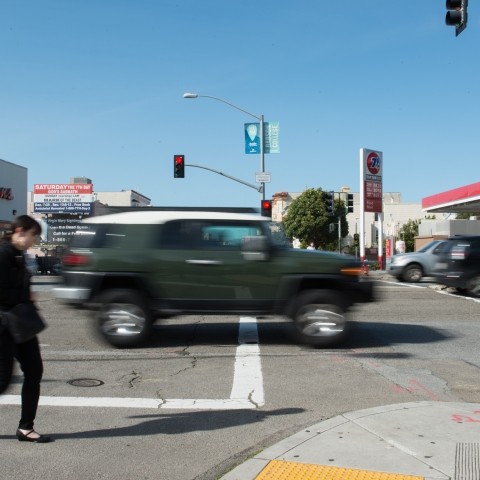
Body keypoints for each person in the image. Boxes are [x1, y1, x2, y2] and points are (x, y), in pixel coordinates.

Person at [0, 215, 51, 443]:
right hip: (4, 325)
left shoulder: (20, 255)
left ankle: (26, 427)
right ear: (20, 230)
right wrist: (26, 296)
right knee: (1, 381)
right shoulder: (3, 255)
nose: (35, 240)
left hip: (19, 322)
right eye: (33, 235)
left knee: (34, 371)